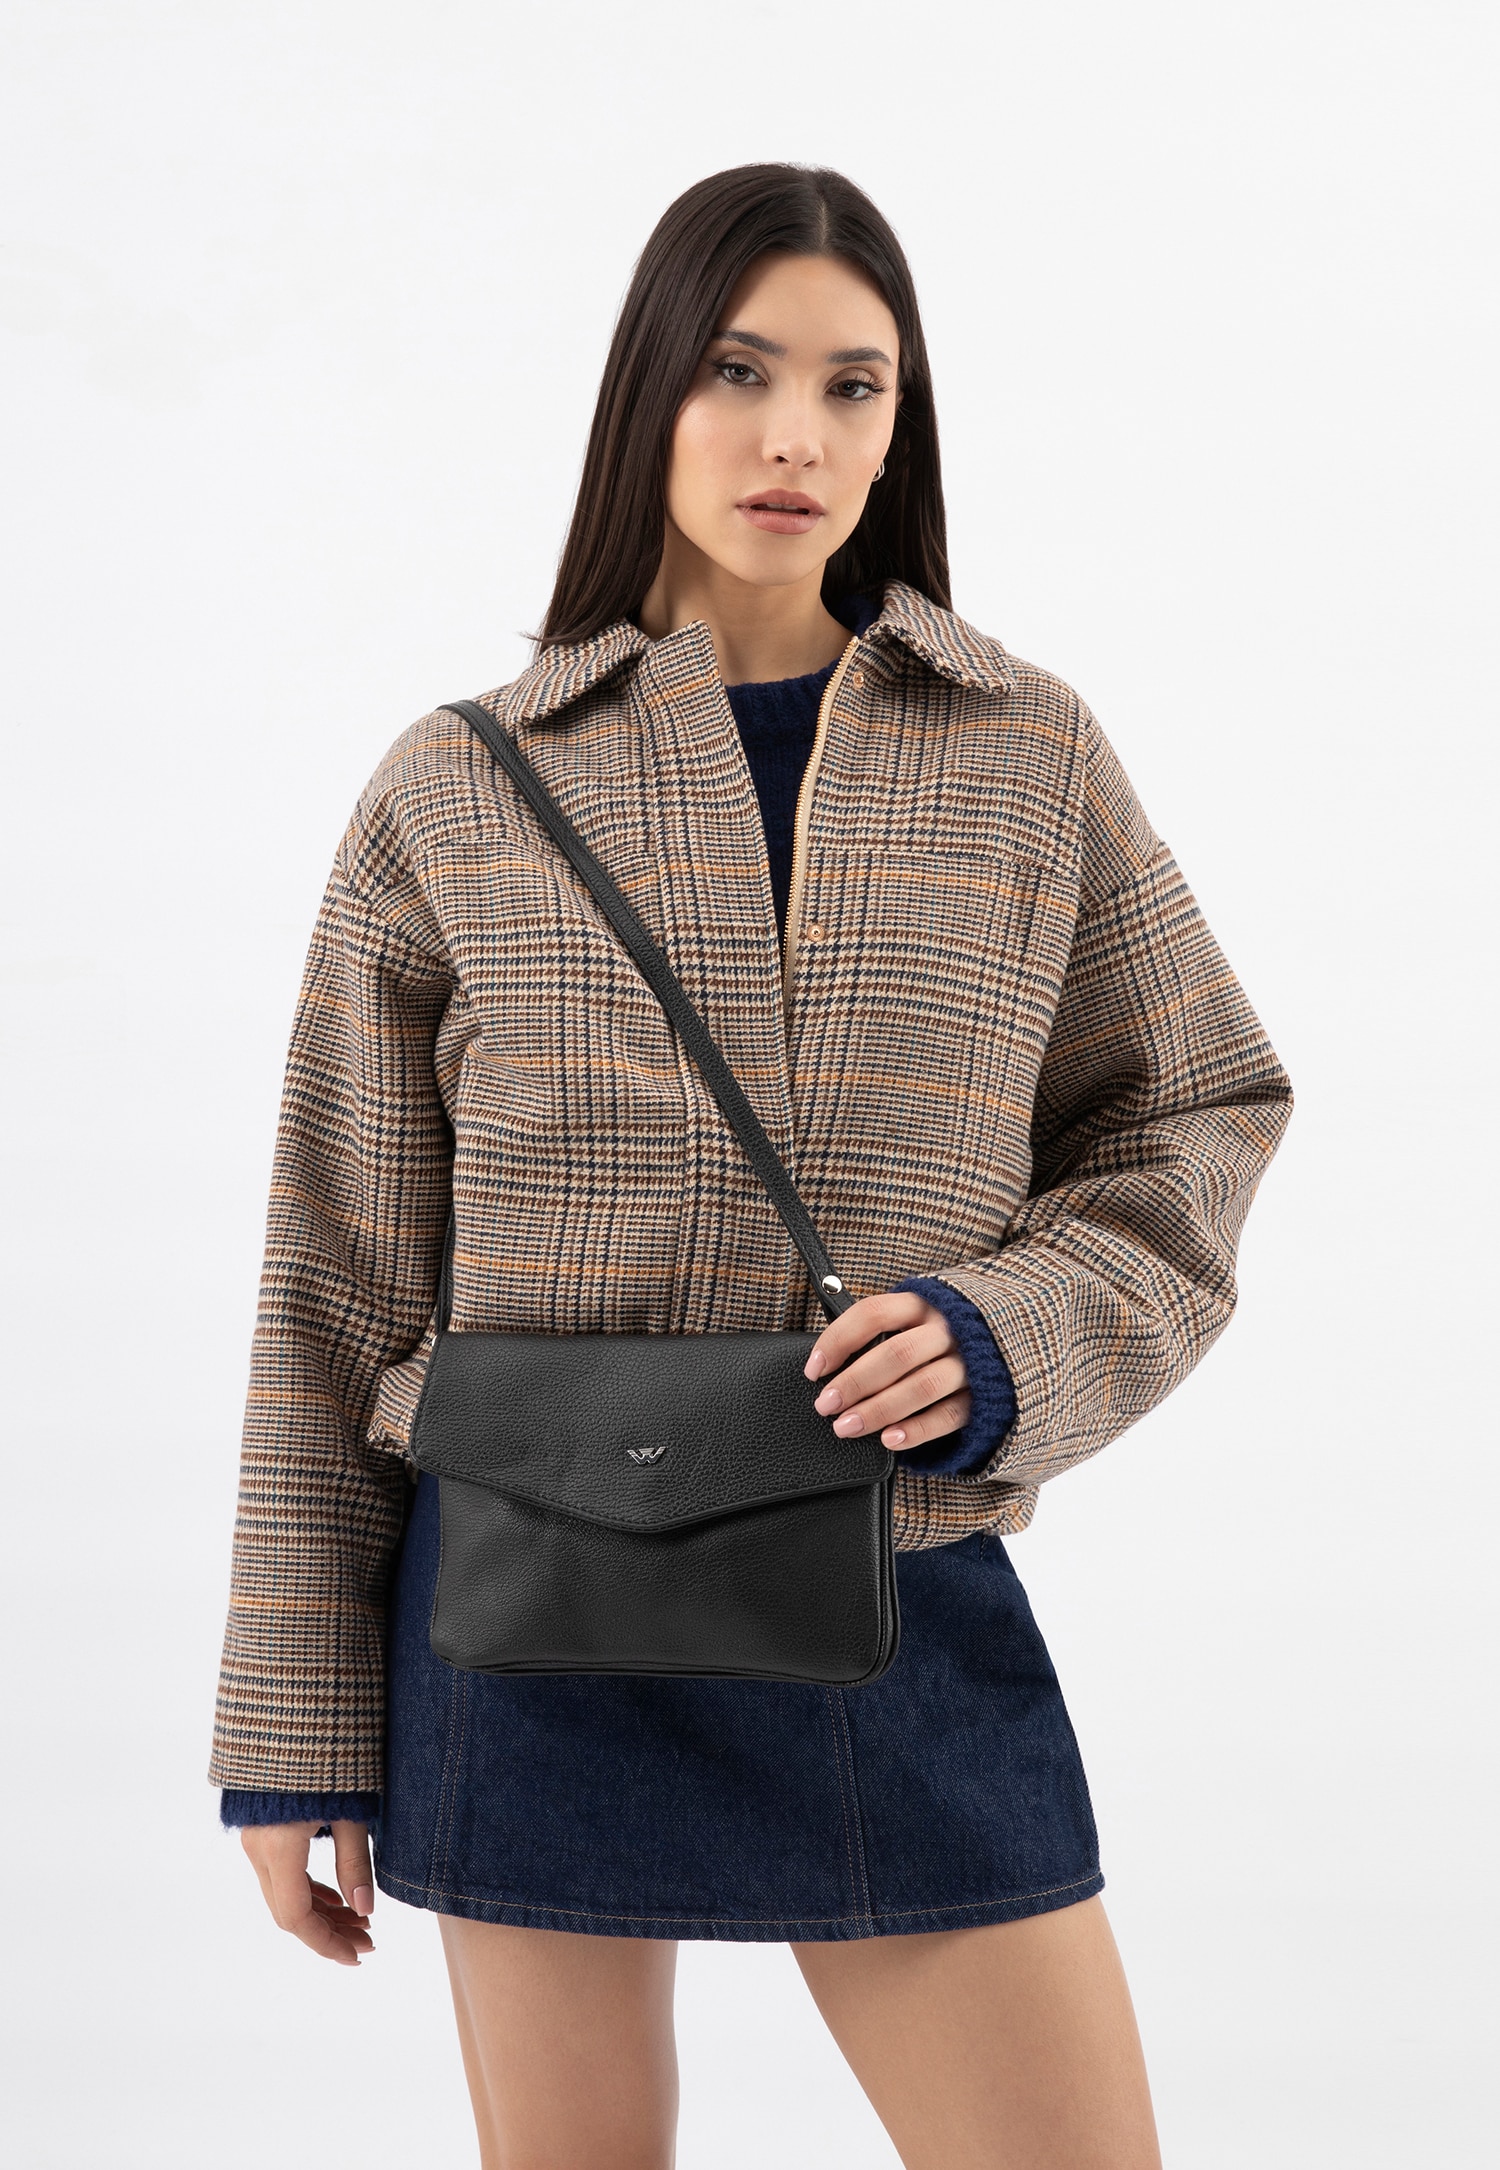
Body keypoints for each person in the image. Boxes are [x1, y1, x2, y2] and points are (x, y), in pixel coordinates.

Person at [212, 163, 1293, 2169]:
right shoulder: (456, 787)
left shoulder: (1026, 751)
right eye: (739, 371)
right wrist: (292, 1729)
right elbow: (333, 1278)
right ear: (651, 391)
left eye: (852, 386)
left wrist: (1004, 1333)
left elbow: (1196, 1110)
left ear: (899, 427)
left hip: (899, 1584)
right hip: (525, 1618)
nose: (796, 434)